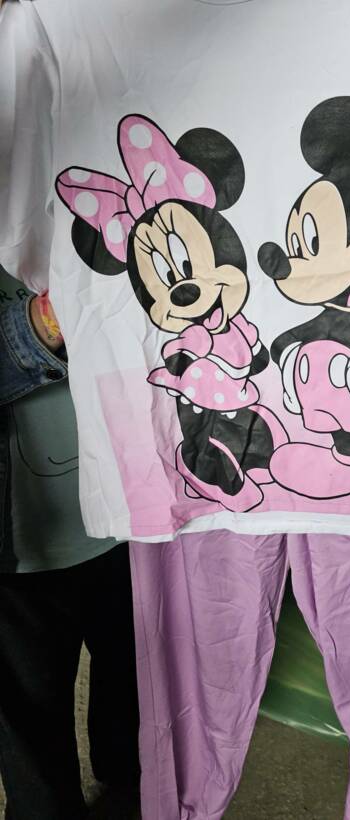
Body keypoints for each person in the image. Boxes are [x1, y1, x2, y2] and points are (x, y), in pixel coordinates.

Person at [0, 269, 141, 820]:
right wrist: (44, 320)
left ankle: (128, 782)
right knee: (35, 750)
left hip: (127, 513)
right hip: (21, 549)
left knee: (134, 687)